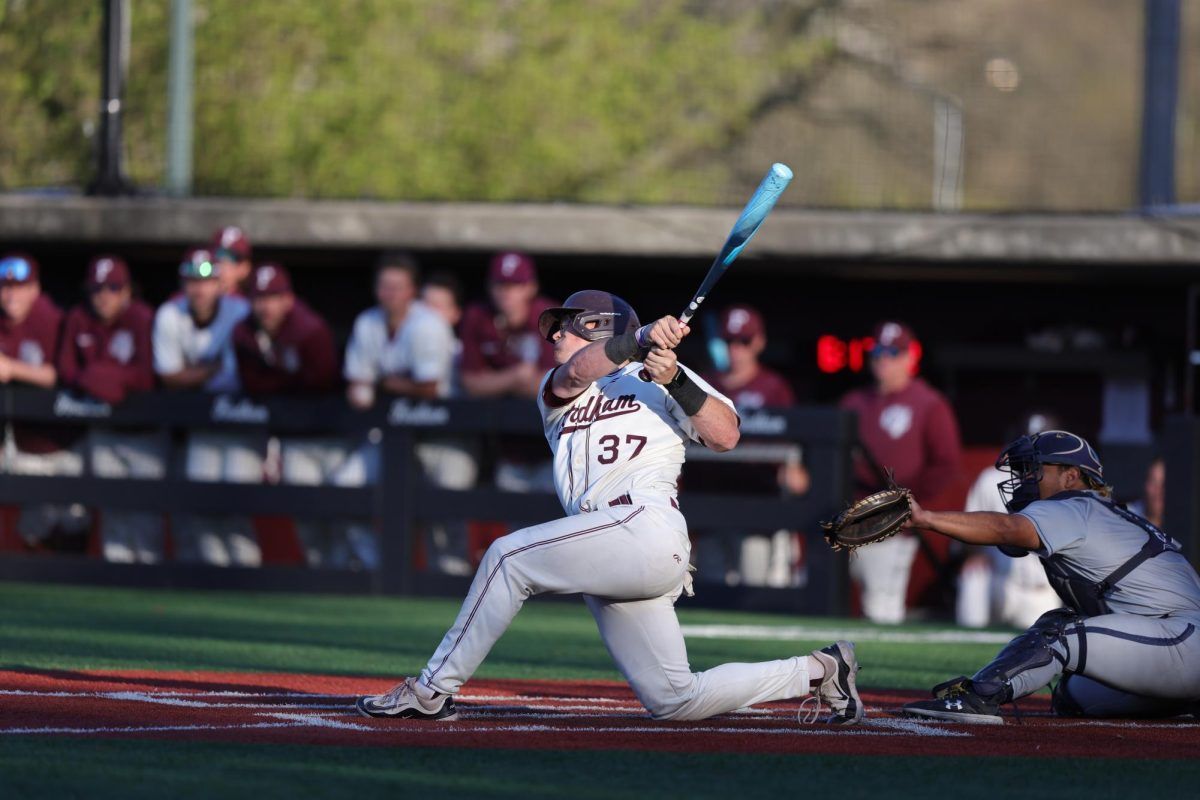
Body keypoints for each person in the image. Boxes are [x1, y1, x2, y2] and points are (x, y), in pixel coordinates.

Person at [356, 291, 864, 725]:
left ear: (601, 325)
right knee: (674, 700)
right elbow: (579, 369)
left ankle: (430, 690)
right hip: (607, 539)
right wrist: (640, 342)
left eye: (565, 326)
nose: (553, 335)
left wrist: (675, 380)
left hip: (647, 525)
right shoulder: (559, 384)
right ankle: (820, 671)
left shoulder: (666, 374)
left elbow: (727, 434)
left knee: (508, 558)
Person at [902, 430, 1200, 723]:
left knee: (1058, 633)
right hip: (1174, 643)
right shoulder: (1093, 510)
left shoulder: (1075, 506)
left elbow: (1008, 530)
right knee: (1072, 695)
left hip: (1182, 639)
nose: (1024, 480)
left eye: (1034, 470)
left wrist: (925, 518)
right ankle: (1186, 702)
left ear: (1070, 476)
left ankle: (979, 698)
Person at [344, 254, 473, 573]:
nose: (390, 293)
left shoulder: (428, 324)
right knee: (344, 485)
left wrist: (383, 383)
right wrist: (375, 387)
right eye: (384, 286)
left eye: (397, 287)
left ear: (412, 290)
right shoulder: (367, 322)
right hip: (391, 434)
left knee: (447, 506)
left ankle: (453, 578)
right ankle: (372, 567)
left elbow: (428, 388)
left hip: (445, 432)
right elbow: (356, 387)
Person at [839, 321, 962, 624]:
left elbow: (946, 464)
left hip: (889, 525)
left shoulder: (928, 403)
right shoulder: (853, 402)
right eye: (878, 351)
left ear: (910, 357)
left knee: (880, 609)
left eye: (893, 352)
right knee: (824, 603)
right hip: (843, 518)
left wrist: (903, 505)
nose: (883, 358)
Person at [233, 263, 345, 566]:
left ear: (288, 299)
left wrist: (279, 381)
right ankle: (317, 573)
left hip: (333, 435)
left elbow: (319, 382)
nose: (265, 305)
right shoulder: (244, 332)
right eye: (258, 297)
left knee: (341, 512)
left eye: (272, 297)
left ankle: (348, 577)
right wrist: (286, 380)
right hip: (293, 437)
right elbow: (252, 384)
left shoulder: (311, 330)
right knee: (304, 511)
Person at [153, 248, 259, 567]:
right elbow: (170, 377)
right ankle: (212, 582)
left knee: (236, 507)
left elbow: (238, 374)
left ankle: (247, 579)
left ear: (219, 283)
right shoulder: (170, 314)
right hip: (200, 425)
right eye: (192, 281)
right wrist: (209, 370)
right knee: (201, 508)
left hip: (241, 421)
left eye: (208, 280)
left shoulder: (240, 310)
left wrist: (195, 373)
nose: (200, 289)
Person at [692, 304, 807, 587]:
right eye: (729, 341)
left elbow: (791, 449)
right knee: (710, 587)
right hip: (710, 502)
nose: (736, 350)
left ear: (758, 342)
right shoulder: (705, 383)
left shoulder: (774, 387)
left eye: (743, 341)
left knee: (755, 587)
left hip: (759, 503)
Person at [57, 255, 162, 563]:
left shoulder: (142, 318)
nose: (104, 296)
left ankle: (147, 583)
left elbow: (147, 376)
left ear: (127, 291)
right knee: (112, 511)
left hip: (145, 434)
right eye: (97, 288)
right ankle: (117, 588)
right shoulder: (78, 317)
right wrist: (102, 380)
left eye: (113, 288)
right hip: (103, 431)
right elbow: (66, 370)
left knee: (143, 514)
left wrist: (100, 378)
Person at [0, 252, 89, 549]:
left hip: (64, 445)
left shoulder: (52, 319)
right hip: (23, 445)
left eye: (20, 286)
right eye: (5, 286)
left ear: (35, 288)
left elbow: (62, 375)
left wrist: (12, 368)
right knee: (34, 531)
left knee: (71, 526)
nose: (11, 294)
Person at [459, 251, 559, 493]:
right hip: (507, 448)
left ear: (531, 287)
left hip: (554, 445)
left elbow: (557, 387)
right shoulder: (478, 317)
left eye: (515, 285)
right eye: (500, 284)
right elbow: (471, 383)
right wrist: (515, 377)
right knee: (514, 523)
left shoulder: (549, 316)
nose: (506, 292)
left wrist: (496, 383)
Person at [955, 411, 1062, 629]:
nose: (1034, 452)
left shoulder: (1065, 484)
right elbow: (967, 527)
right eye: (1029, 442)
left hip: (1039, 588)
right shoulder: (991, 479)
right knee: (974, 576)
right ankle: (966, 641)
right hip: (997, 578)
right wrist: (975, 553)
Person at [211, 225, 253, 297]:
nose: (219, 267)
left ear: (245, 268)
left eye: (229, 261)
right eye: (216, 259)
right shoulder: (190, 301)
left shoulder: (249, 306)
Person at [1127, 455, 1164, 529]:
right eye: (1153, 481)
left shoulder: (1189, 523)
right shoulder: (1126, 518)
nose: (1158, 491)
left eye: (1164, 484)